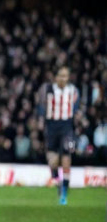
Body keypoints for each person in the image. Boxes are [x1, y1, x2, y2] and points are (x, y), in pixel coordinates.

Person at [37, 66, 78, 205]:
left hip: (67, 127)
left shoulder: (73, 91)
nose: (63, 78)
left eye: (65, 76)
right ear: (56, 77)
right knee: (52, 161)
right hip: (51, 127)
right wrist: (41, 121)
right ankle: (58, 182)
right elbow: (40, 106)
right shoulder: (47, 89)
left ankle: (64, 193)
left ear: (68, 78)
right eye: (60, 75)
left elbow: (76, 108)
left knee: (67, 158)